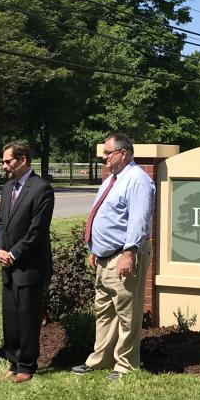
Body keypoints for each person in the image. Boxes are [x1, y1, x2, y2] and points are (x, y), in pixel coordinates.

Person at [72, 132, 155, 382]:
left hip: (124, 256)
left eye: (108, 153)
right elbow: (106, 217)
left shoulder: (137, 180)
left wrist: (128, 254)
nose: (104, 158)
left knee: (127, 313)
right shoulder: (114, 179)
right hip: (104, 257)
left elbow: (138, 221)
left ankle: (125, 365)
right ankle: (100, 360)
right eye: (104, 153)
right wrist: (95, 249)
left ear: (124, 153)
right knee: (105, 312)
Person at [0, 141, 55, 383]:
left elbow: (37, 230)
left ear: (23, 160)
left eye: (8, 161)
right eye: (4, 161)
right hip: (8, 265)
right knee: (10, 315)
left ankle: (27, 365)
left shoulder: (41, 189)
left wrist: (14, 253)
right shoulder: (8, 188)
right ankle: (14, 360)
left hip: (30, 265)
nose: (5, 165)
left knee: (27, 316)